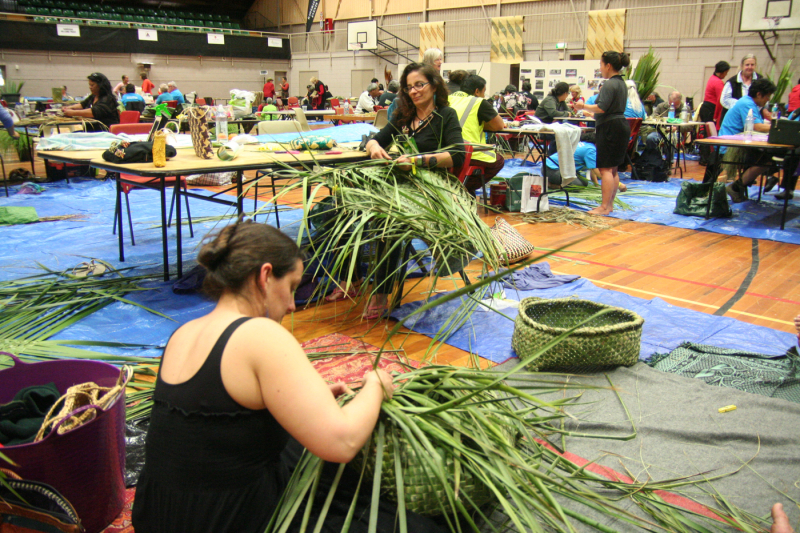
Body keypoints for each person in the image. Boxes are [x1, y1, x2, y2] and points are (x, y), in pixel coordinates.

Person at [130, 220, 445, 533]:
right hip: (225, 519)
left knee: (300, 445)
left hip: (159, 514)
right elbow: (343, 441)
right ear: (265, 276)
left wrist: (303, 399)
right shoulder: (259, 334)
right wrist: (376, 385)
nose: (294, 304)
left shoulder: (183, 333)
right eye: (292, 287)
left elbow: (216, 415)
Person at [363, 62, 465, 318]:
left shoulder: (445, 116)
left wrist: (418, 161)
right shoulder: (404, 116)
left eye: (420, 85)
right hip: (404, 185)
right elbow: (376, 138)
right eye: (409, 87)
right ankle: (348, 279)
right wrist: (374, 147)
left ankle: (380, 294)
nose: (414, 91)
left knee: (389, 222)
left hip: (433, 189)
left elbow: (457, 154)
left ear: (434, 85)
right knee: (354, 210)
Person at [575, 51, 631, 216]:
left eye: (601, 64)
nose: (600, 68)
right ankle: (609, 205)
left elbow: (602, 107)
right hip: (620, 125)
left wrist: (582, 106)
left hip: (610, 128)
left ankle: (604, 206)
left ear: (608, 65)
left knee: (605, 169)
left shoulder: (610, 84)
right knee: (612, 169)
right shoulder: (622, 83)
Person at [719, 78, 777, 202]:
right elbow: (756, 126)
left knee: (767, 159)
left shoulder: (750, 103)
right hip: (730, 146)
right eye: (767, 96)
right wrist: (777, 126)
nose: (768, 99)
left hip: (739, 143)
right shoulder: (747, 103)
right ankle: (736, 187)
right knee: (765, 161)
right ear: (759, 94)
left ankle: (740, 186)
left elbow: (758, 126)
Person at [449, 74, 506, 192]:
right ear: (477, 91)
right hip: (468, 152)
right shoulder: (478, 102)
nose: (484, 95)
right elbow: (499, 125)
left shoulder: (448, 99)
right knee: (498, 161)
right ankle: (464, 188)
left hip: (445, 151)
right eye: (484, 91)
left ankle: (459, 186)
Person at [721, 54, 764, 123]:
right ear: (742, 66)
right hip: (735, 119)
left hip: (754, 118)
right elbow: (724, 100)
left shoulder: (761, 81)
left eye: (752, 65)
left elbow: (764, 99)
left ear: (755, 66)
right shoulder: (732, 82)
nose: (750, 67)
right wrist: (742, 106)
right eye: (747, 65)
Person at [699, 61, 730, 129]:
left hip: (705, 108)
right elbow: (721, 100)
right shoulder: (718, 82)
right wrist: (716, 116)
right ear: (723, 72)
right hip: (711, 110)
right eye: (726, 73)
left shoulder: (712, 78)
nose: (726, 75)